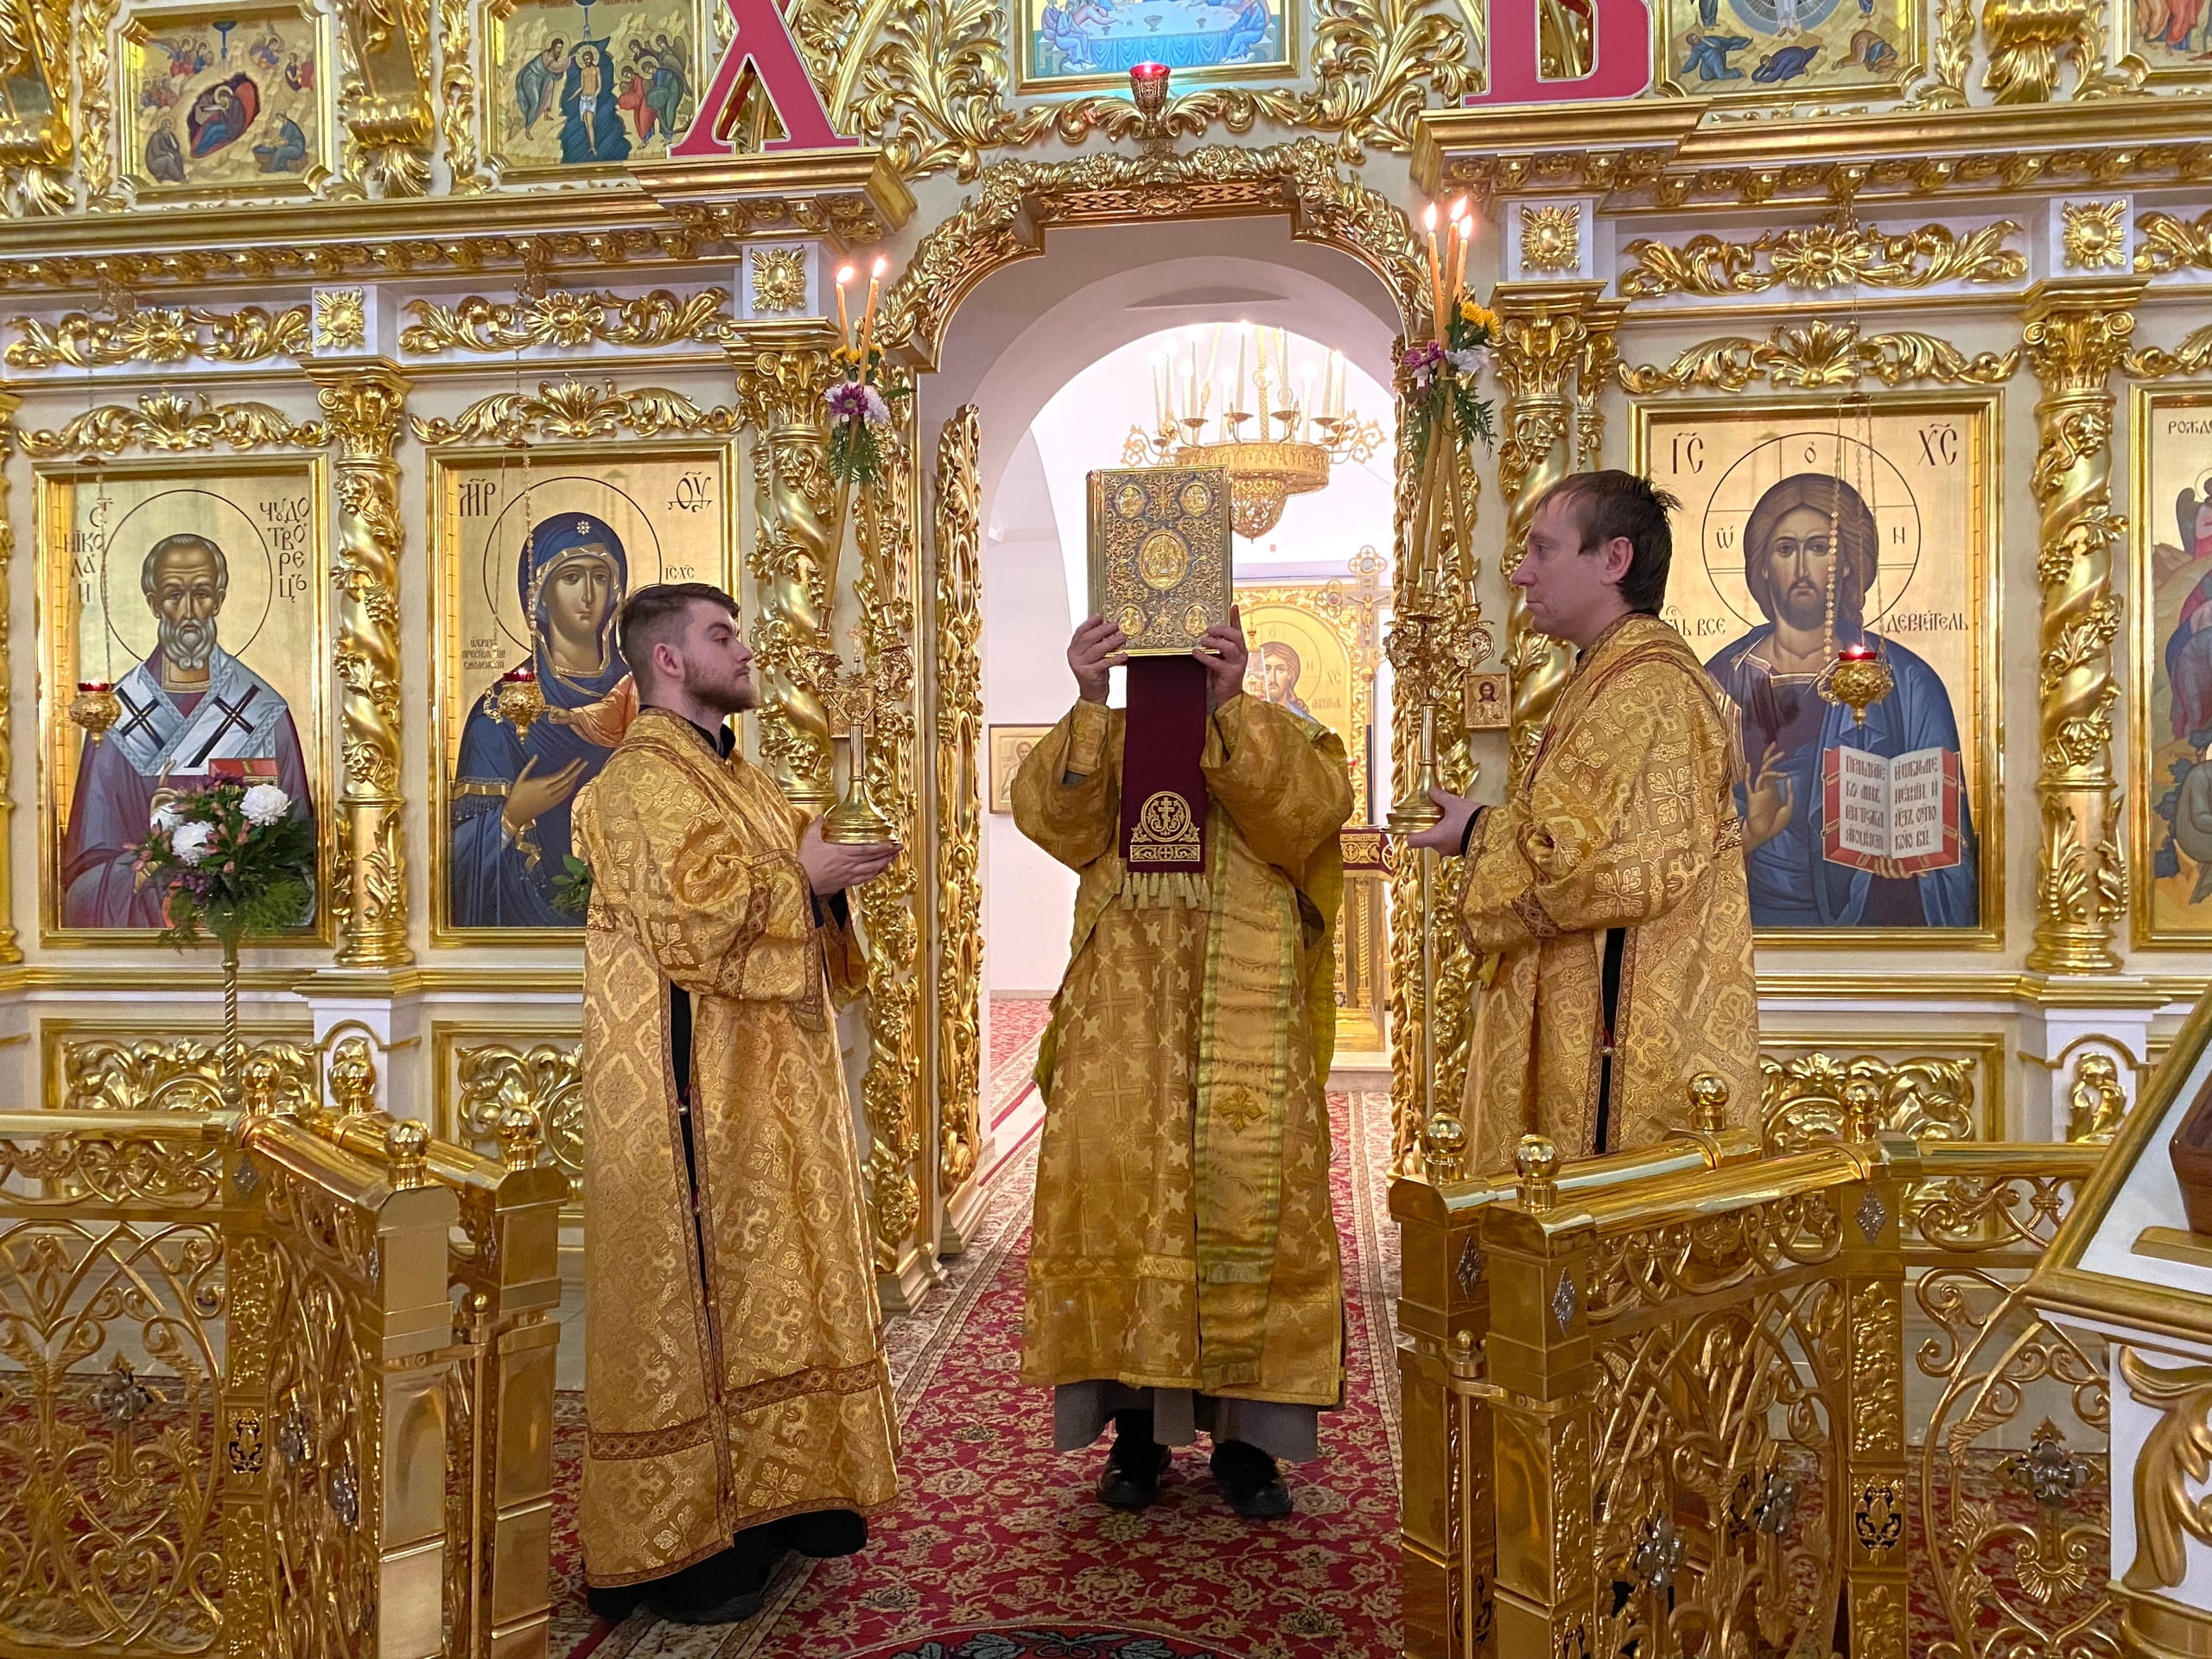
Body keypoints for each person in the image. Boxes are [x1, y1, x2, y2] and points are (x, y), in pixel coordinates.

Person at [572, 582, 901, 1624]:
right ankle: (684, 1546)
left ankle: (782, 1494)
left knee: (773, 1277)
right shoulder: (638, 781)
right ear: (668, 660)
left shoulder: (738, 776)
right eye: (723, 636)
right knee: (705, 1291)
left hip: (768, 1085)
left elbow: (784, 882)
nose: (744, 649)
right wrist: (800, 876)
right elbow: (694, 925)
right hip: (691, 1087)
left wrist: (830, 874)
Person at [1013, 605, 1353, 1520]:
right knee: (1126, 1203)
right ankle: (1135, 1430)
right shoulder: (1113, 734)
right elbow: (1058, 824)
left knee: (1249, 1204)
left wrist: (1233, 705)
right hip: (1125, 1017)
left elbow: (1305, 821)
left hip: (1248, 1010)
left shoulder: (1289, 735)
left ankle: (1249, 1443)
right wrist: (1089, 698)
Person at [1408, 472, 1759, 1174]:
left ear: (1614, 560)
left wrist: (1477, 832)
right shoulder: (1610, 675)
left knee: (1590, 1218)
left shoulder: (1646, 688)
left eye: (1543, 550)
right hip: (1595, 1005)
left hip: (1616, 1041)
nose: (1522, 573)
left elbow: (1598, 868)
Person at [1702, 472, 1976, 928]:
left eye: (1820, 548)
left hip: (1867, 922)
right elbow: (1681, 834)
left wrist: (1911, 858)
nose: (1802, 569)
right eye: (1785, 549)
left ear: (1847, 563)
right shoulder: (1720, 681)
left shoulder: (1907, 682)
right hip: (1747, 921)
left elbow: (1945, 840)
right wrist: (1751, 832)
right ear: (1763, 565)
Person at [62, 533, 314, 929]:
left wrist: (236, 863)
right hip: (143, 946)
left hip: (244, 939)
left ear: (220, 599)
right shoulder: (115, 719)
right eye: (174, 595)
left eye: (201, 593)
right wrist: (150, 859)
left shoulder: (264, 713)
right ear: (153, 603)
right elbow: (81, 886)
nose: (189, 611)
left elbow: (300, 861)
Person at [449, 512, 637, 927]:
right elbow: (454, 857)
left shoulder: (644, 697)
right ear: (540, 595)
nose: (588, 594)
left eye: (600, 577)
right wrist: (510, 816)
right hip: (529, 925)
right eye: (570, 577)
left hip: (638, 916)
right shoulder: (499, 712)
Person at [560, 42, 632, 163]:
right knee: (586, 124)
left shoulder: (596, 69)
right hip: (583, 98)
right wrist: (573, 96)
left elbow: (599, 86)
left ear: (592, 58)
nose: (587, 61)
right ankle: (591, 145)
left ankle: (593, 147)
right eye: (585, 59)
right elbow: (582, 86)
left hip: (591, 99)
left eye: (588, 58)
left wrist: (595, 96)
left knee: (590, 124)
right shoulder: (583, 71)